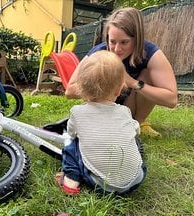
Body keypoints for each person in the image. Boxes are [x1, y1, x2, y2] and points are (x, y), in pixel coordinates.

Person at [65, 7, 178, 138]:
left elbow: (171, 100)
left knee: (147, 74)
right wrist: (101, 83)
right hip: (102, 109)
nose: (117, 49)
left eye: (124, 42)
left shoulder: (151, 54)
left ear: (137, 39)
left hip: (131, 108)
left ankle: (139, 123)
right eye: (112, 41)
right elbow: (70, 91)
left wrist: (133, 83)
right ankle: (104, 121)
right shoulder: (99, 53)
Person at [56, 50, 146, 195]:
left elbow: (72, 133)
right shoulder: (125, 111)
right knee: (131, 139)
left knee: (70, 143)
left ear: (82, 88)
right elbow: (136, 130)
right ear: (118, 90)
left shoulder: (77, 112)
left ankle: (71, 182)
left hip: (100, 184)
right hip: (136, 179)